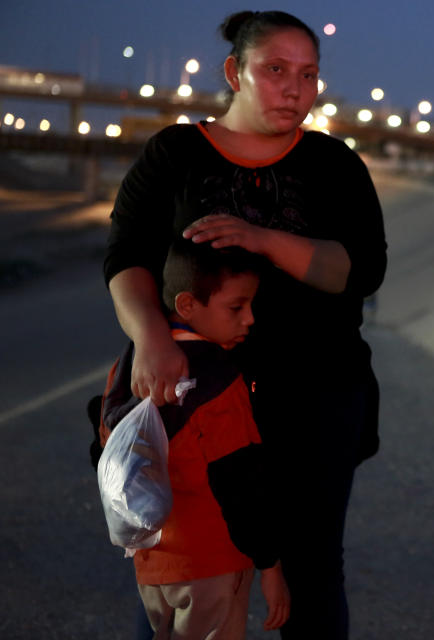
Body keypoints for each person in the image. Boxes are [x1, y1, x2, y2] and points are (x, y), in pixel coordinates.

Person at [103, 10, 386, 639]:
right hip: (190, 398)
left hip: (314, 397)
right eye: (275, 70)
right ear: (235, 72)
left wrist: (261, 238)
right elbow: (126, 257)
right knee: (177, 565)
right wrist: (151, 338)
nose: (294, 87)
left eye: (308, 74)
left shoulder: (334, 164)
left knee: (312, 572)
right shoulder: (175, 154)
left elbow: (360, 269)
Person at [99, 240, 289, 638]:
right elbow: (242, 485)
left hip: (154, 567)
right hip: (213, 565)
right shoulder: (220, 381)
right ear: (187, 305)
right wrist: (270, 565)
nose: (250, 318)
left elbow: (106, 453)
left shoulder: (128, 365)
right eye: (236, 307)